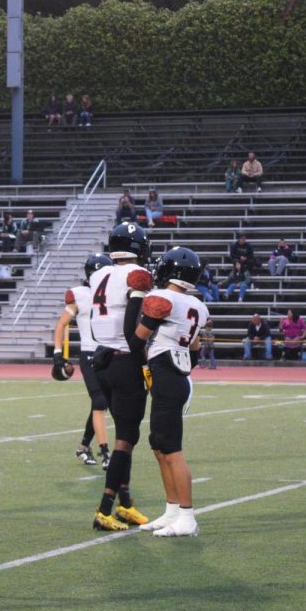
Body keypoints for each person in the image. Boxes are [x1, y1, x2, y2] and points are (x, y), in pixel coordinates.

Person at [135, 246, 210, 538]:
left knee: (172, 450)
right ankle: (172, 510)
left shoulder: (162, 298)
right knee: (158, 445)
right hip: (175, 373)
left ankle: (188, 516)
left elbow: (138, 338)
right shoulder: (198, 306)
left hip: (167, 374)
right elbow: (193, 350)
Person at [86, 222, 154, 532]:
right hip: (125, 361)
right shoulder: (136, 275)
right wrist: (146, 364)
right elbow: (132, 330)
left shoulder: (99, 273)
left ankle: (125, 503)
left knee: (127, 435)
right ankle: (104, 509)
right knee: (126, 440)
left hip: (101, 360)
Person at [52, 254, 113, 469]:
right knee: (99, 402)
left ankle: (83, 446)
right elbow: (61, 324)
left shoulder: (113, 294)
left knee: (103, 403)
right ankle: (105, 452)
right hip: (89, 355)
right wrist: (58, 354)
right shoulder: (80, 295)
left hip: (110, 353)